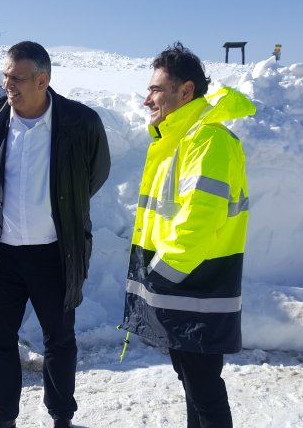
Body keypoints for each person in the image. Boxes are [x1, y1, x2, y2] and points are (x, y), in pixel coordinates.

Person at [0, 41, 110, 428]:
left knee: (59, 342)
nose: (7, 84)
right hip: (2, 256)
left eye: (16, 77)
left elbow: (93, 175)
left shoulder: (80, 122)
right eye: (5, 76)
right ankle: (2, 418)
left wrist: (64, 208)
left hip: (55, 254)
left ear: (42, 80)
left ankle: (62, 417)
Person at [120, 42, 256, 428]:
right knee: (194, 382)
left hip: (196, 286)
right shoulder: (177, 139)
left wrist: (160, 274)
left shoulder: (208, 140)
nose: (147, 99)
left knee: (204, 388)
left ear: (186, 91)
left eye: (156, 89)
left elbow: (200, 219)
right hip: (182, 284)